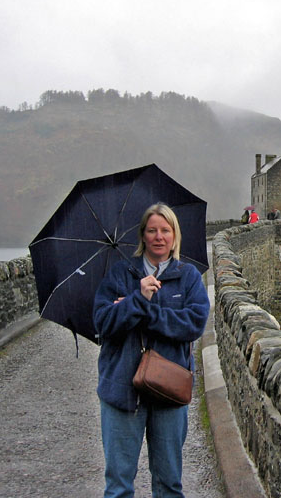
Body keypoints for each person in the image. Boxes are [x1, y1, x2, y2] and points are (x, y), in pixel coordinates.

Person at [93, 203, 210, 498]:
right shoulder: (120, 274)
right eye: (152, 230)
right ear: (143, 235)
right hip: (122, 390)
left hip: (168, 391)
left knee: (169, 484)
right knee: (118, 487)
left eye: (165, 230)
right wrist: (138, 298)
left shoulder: (188, 277)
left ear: (174, 235)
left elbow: (194, 323)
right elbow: (103, 323)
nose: (159, 237)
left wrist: (145, 311)